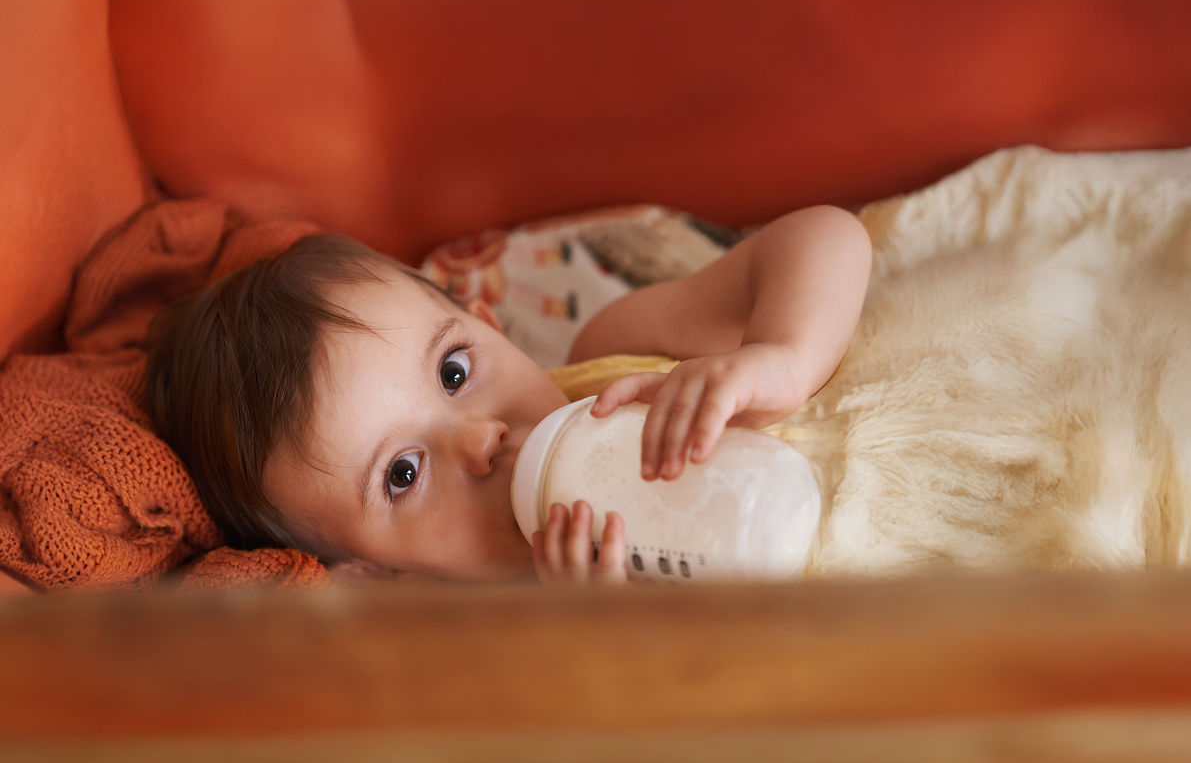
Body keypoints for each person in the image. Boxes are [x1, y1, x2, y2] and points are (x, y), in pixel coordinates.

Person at [146, 205, 872, 585]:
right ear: (368, 567)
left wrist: (782, 353)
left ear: (488, 322)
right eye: (403, 473)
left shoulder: (612, 356)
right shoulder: (501, 644)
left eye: (455, 371)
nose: (479, 439)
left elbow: (827, 237)